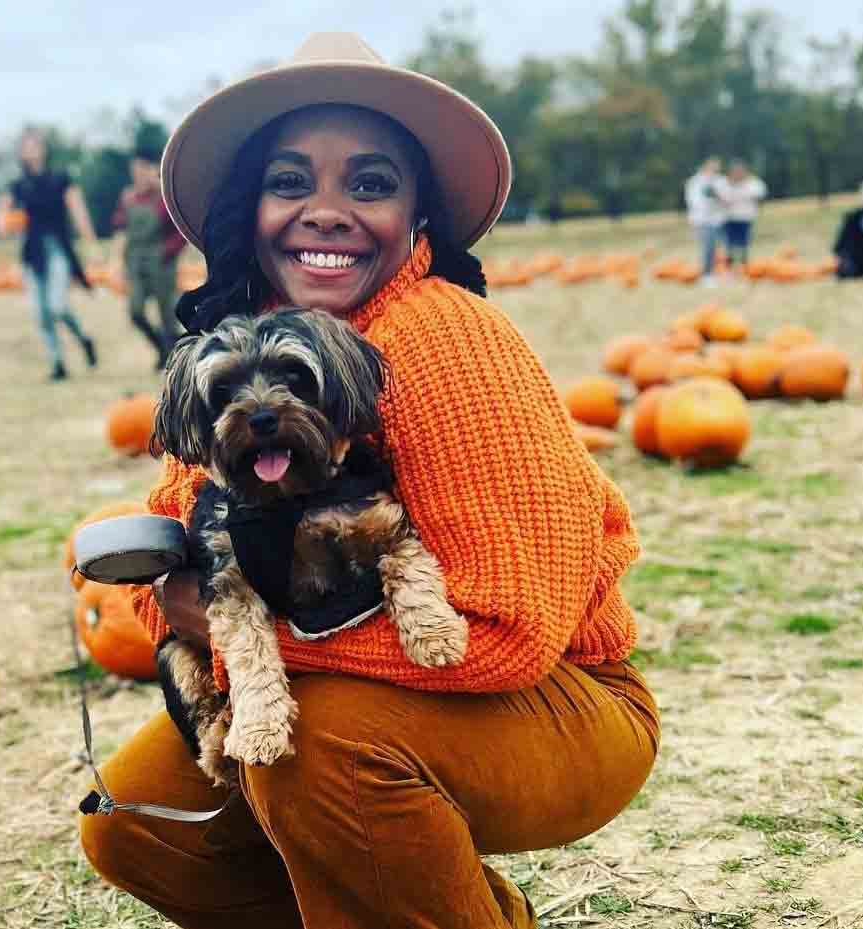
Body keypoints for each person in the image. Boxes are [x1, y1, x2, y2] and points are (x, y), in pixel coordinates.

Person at [78, 32, 659, 929]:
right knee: (137, 824)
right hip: (354, 686)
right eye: (290, 181)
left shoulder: (441, 338)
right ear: (251, 205)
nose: (326, 211)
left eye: (370, 183)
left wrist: (250, 640)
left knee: (317, 752)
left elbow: (506, 635)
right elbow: (179, 563)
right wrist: (200, 614)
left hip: (556, 701)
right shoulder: (238, 355)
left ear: (417, 209)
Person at [0, 127, 100, 382]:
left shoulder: (60, 179)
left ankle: (84, 339)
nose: (30, 150)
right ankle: (58, 363)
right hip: (32, 253)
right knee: (41, 314)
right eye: (25, 146)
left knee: (57, 306)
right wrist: (0, 223)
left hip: (58, 250)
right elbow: (1, 210)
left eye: (34, 145)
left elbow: (78, 210)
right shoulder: (18, 185)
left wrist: (91, 242)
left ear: (43, 149)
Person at [110, 142, 187, 370]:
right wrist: (116, 261)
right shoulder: (128, 198)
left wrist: (168, 252)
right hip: (135, 260)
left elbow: (181, 229)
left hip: (161, 261)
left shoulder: (166, 195)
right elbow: (120, 229)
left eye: (143, 169)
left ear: (153, 169)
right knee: (135, 311)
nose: (138, 175)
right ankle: (160, 347)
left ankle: (174, 358)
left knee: (167, 315)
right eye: (135, 170)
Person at [684, 157, 725, 287]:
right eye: (712, 168)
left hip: (717, 220)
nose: (714, 170)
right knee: (708, 247)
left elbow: (725, 197)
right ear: (705, 167)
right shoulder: (695, 182)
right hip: (702, 220)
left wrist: (718, 198)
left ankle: (716, 272)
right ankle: (707, 275)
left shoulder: (719, 180)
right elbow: (694, 202)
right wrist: (711, 200)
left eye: (716, 168)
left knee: (716, 248)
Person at [721, 161, 767, 271]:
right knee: (729, 244)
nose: (738, 174)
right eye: (735, 171)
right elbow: (721, 198)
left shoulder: (753, 183)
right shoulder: (725, 183)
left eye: (740, 171)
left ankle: (744, 267)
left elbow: (759, 196)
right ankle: (729, 268)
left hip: (745, 217)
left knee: (744, 243)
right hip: (729, 218)